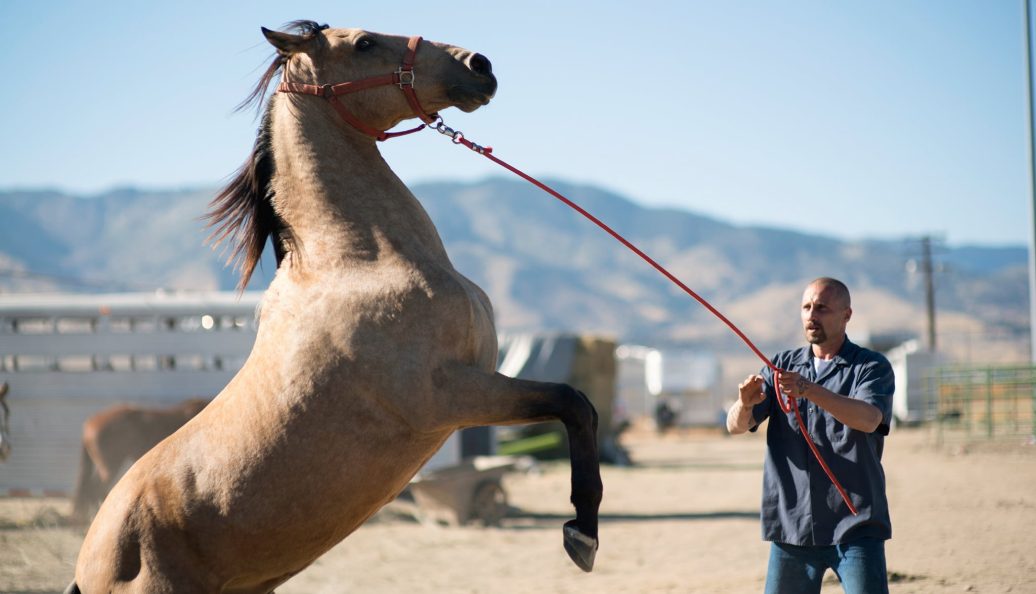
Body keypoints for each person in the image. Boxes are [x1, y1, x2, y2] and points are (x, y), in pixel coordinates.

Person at [726, 277, 895, 594]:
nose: (811, 315)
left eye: (822, 308)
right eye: (806, 307)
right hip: (794, 527)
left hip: (856, 525)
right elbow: (734, 426)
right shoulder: (779, 367)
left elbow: (869, 418)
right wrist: (743, 404)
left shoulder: (871, 367)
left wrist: (809, 390)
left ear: (846, 315)